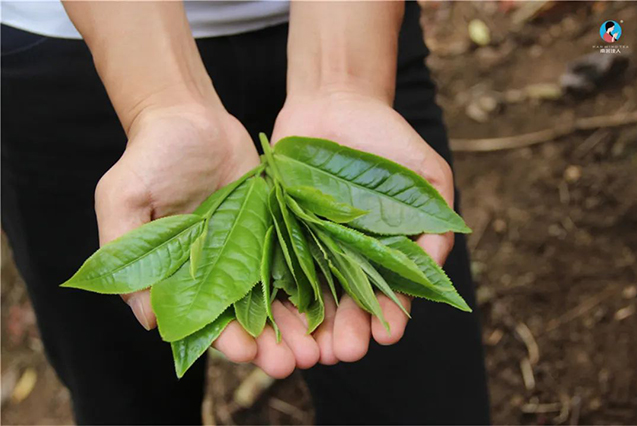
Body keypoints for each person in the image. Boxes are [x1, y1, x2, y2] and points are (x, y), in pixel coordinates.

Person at [1, 1, 490, 424]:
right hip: (69, 49)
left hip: (359, 31)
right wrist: (161, 101)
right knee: (125, 400)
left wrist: (344, 80)